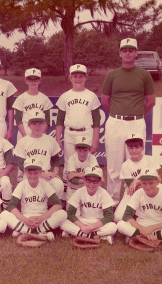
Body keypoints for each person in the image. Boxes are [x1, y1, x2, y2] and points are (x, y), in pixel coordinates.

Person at [101, 38, 156, 206]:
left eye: (131, 50)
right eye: (124, 50)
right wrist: (119, 115)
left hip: (136, 123)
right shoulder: (112, 75)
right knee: (114, 164)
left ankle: (136, 201)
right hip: (115, 123)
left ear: (136, 53)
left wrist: (136, 114)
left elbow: (151, 101)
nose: (127, 52)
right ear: (120, 53)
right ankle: (113, 202)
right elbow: (105, 101)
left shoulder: (144, 75)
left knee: (136, 162)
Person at [55, 64, 101, 203]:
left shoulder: (91, 96)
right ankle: (66, 193)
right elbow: (60, 120)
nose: (78, 79)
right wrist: (58, 138)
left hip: (86, 132)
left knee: (86, 162)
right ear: (70, 77)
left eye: (81, 76)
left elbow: (97, 120)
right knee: (69, 162)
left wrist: (95, 140)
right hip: (70, 133)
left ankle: (88, 192)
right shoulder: (65, 96)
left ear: (86, 77)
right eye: (75, 76)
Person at [0, 158, 67, 240]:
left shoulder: (44, 184)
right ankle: (41, 232)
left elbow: (58, 204)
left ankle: (24, 231)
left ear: (40, 172)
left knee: (63, 214)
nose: (32, 176)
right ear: (25, 172)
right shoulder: (22, 184)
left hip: (42, 218)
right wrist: (25, 220)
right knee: (3, 214)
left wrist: (42, 218)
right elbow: (11, 206)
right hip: (26, 218)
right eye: (30, 172)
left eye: (35, 173)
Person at [116, 169, 162, 251]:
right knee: (120, 224)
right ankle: (161, 240)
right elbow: (126, 216)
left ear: (157, 181)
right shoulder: (139, 193)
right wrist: (142, 230)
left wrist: (151, 229)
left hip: (157, 228)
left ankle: (135, 237)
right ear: (140, 182)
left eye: (151, 183)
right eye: (144, 183)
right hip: (139, 226)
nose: (147, 186)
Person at [14, 109, 64, 200]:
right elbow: (21, 165)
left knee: (59, 184)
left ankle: (54, 208)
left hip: (47, 175)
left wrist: (55, 173)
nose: (37, 126)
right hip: (29, 175)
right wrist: (40, 174)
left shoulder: (50, 140)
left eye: (40, 123)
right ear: (29, 125)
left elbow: (56, 159)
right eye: (34, 123)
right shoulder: (23, 142)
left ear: (45, 124)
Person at [60, 166, 117, 245]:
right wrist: (82, 226)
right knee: (63, 223)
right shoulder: (80, 191)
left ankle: (76, 234)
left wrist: (91, 227)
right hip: (83, 221)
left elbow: (110, 216)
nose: (91, 184)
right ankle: (97, 236)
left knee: (113, 227)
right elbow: (70, 213)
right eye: (88, 181)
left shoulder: (103, 193)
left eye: (95, 181)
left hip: (98, 223)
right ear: (84, 180)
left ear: (100, 182)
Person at [114, 132, 162, 222]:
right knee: (118, 218)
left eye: (137, 147)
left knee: (160, 187)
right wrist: (143, 182)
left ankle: (151, 212)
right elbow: (132, 187)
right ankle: (136, 214)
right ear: (127, 149)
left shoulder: (149, 159)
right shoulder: (126, 165)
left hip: (150, 191)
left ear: (142, 147)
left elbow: (156, 180)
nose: (134, 150)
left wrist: (136, 181)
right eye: (131, 148)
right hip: (132, 194)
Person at [12, 68, 54, 142]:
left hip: (40, 133)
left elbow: (47, 121)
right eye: (30, 79)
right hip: (24, 133)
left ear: (40, 81)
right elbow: (18, 121)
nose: (33, 82)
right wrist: (25, 136)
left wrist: (40, 135)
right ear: (26, 81)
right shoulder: (21, 98)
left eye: (36, 79)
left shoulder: (44, 98)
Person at [65, 136, 99, 202]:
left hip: (87, 189)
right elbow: (72, 179)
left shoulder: (92, 158)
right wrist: (91, 181)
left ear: (89, 150)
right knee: (71, 212)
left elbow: (96, 175)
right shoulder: (72, 158)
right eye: (80, 150)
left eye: (85, 150)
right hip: (73, 190)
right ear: (75, 149)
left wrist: (75, 174)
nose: (82, 154)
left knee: (88, 211)